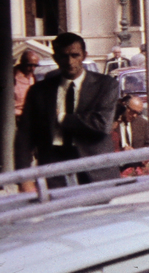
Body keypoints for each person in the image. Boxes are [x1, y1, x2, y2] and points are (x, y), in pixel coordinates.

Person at [15, 32, 120, 186]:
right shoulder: (39, 91)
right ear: (55, 58)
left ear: (84, 55)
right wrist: (24, 179)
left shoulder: (106, 85)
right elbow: (25, 136)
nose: (70, 62)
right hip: (54, 171)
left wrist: (61, 118)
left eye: (75, 55)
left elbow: (101, 123)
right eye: (64, 56)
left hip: (96, 172)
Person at [14, 47, 40, 118]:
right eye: (29, 65)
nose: (32, 68)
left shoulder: (33, 78)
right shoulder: (13, 78)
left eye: (35, 66)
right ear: (22, 63)